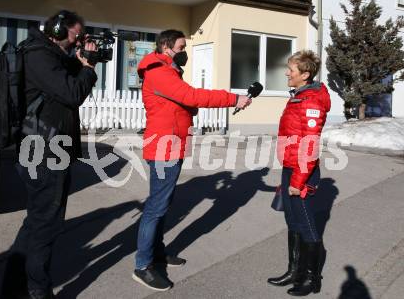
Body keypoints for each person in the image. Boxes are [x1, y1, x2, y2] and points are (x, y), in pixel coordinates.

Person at [133, 29, 252, 291]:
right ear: (166, 47)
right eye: (181, 46)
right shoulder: (159, 71)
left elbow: (184, 103)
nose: (184, 51)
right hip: (164, 147)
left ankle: (157, 253)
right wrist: (234, 98)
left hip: (172, 144)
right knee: (156, 207)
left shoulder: (168, 71)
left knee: (162, 204)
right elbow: (192, 97)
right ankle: (143, 265)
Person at [0, 10, 97, 299]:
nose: (78, 40)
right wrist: (88, 68)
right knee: (46, 225)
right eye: (75, 34)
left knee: (36, 220)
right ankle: (37, 289)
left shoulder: (49, 54)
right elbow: (71, 93)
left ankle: (14, 285)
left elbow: (65, 78)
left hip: (47, 149)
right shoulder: (39, 56)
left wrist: (80, 58)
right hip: (43, 152)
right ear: (57, 29)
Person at [267, 50, 331, 296]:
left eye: (291, 70)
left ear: (304, 75)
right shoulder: (299, 96)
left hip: (301, 172)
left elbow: (310, 146)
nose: (286, 73)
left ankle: (312, 280)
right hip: (291, 167)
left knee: (306, 225)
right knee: (292, 222)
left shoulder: (311, 101)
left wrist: (298, 180)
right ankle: (294, 272)